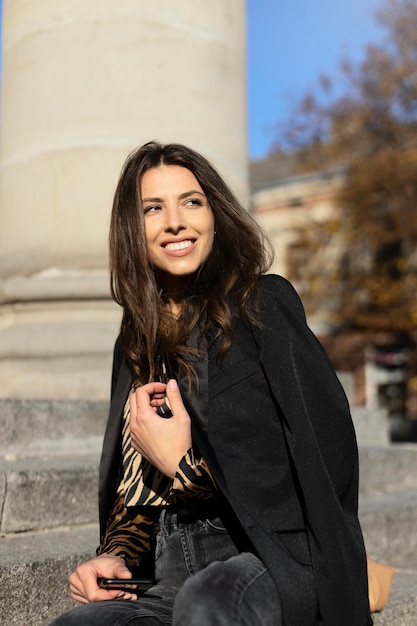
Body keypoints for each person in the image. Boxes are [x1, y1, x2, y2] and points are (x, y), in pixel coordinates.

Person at [50, 141, 372, 626]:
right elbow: (136, 491)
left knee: (210, 602)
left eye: (191, 201)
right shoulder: (136, 345)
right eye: (152, 208)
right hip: (170, 573)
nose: (175, 221)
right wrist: (115, 556)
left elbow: (329, 454)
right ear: (131, 230)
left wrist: (183, 462)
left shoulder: (263, 304)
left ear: (215, 215)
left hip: (268, 561)